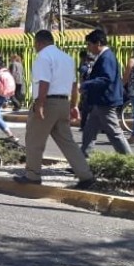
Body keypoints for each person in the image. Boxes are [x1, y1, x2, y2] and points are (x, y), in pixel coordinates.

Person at [13, 30, 95, 188]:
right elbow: (74, 85)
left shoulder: (43, 56)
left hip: (48, 102)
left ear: (39, 42)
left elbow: (44, 82)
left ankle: (33, 175)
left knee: (34, 140)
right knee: (67, 142)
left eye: (35, 44)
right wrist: (74, 106)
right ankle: (86, 175)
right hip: (63, 103)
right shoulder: (67, 58)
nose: (35, 47)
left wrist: (40, 105)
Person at [80, 29, 131, 156]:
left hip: (106, 101)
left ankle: (130, 160)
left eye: (89, 44)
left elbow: (106, 78)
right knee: (89, 132)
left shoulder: (107, 57)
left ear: (98, 43)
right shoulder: (103, 56)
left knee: (114, 132)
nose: (88, 48)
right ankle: (83, 162)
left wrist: (86, 85)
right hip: (100, 101)